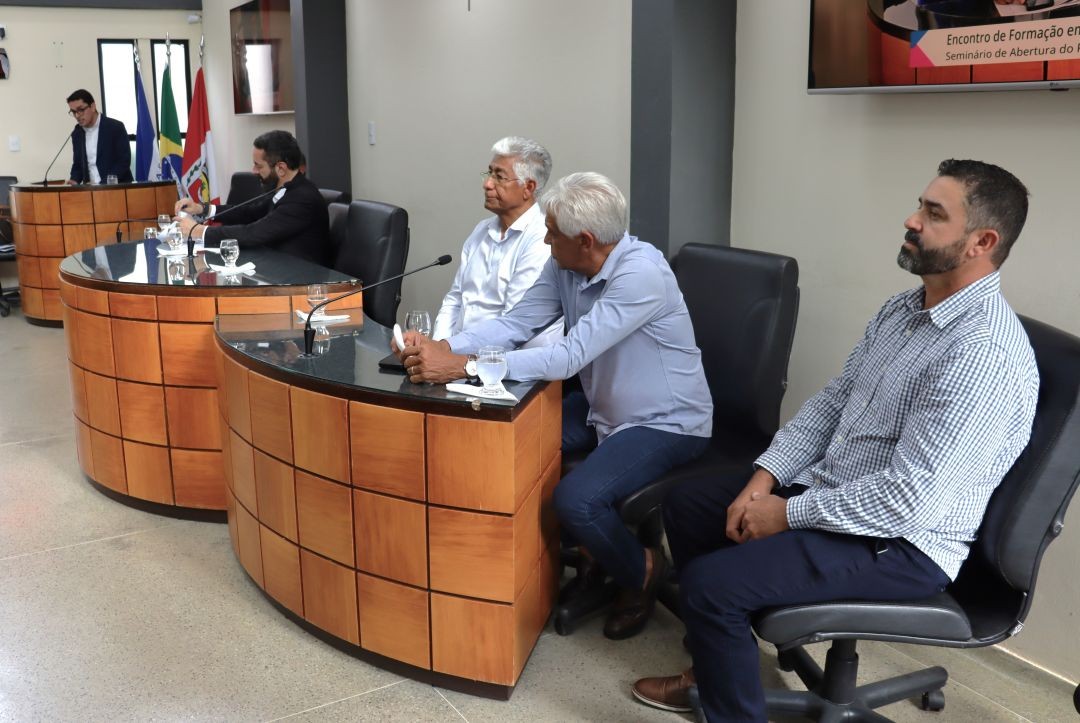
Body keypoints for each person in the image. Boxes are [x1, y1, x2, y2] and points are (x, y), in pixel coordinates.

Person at [632, 159, 1039, 722]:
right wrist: (765, 477)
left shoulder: (980, 354)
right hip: (842, 492)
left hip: (905, 543)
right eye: (921, 204)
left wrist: (787, 514)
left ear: (981, 242)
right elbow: (833, 402)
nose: (911, 219)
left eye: (933, 213)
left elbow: (908, 500)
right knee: (690, 505)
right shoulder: (905, 308)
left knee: (710, 586)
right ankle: (720, 662)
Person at [397, 172, 713, 640]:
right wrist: (444, 346)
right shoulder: (566, 263)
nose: (544, 238)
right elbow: (516, 323)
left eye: (552, 233)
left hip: (665, 421)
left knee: (576, 499)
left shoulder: (641, 274)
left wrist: (461, 366)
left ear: (586, 240)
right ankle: (569, 560)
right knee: (513, 442)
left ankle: (641, 568)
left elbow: (567, 357)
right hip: (600, 404)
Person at [432, 136, 561, 347]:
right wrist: (438, 346)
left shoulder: (541, 239)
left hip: (508, 363)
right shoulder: (481, 231)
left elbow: (512, 327)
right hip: (460, 354)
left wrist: (449, 354)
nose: (487, 184)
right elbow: (455, 300)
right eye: (489, 173)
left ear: (528, 187)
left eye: (499, 177)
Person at [175, 130, 330, 266]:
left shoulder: (302, 199)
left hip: (303, 282)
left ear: (281, 169)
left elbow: (253, 233)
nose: (254, 171)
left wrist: (199, 231)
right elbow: (249, 213)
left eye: (259, 166)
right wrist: (202, 208)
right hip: (276, 270)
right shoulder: (286, 189)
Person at [66, 89, 133, 185]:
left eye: (80, 110)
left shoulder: (115, 127)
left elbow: (123, 162)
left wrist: (102, 185)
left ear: (92, 106)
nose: (77, 115)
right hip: (90, 192)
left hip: (117, 189)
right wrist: (74, 180)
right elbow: (78, 165)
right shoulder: (77, 133)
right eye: (73, 112)